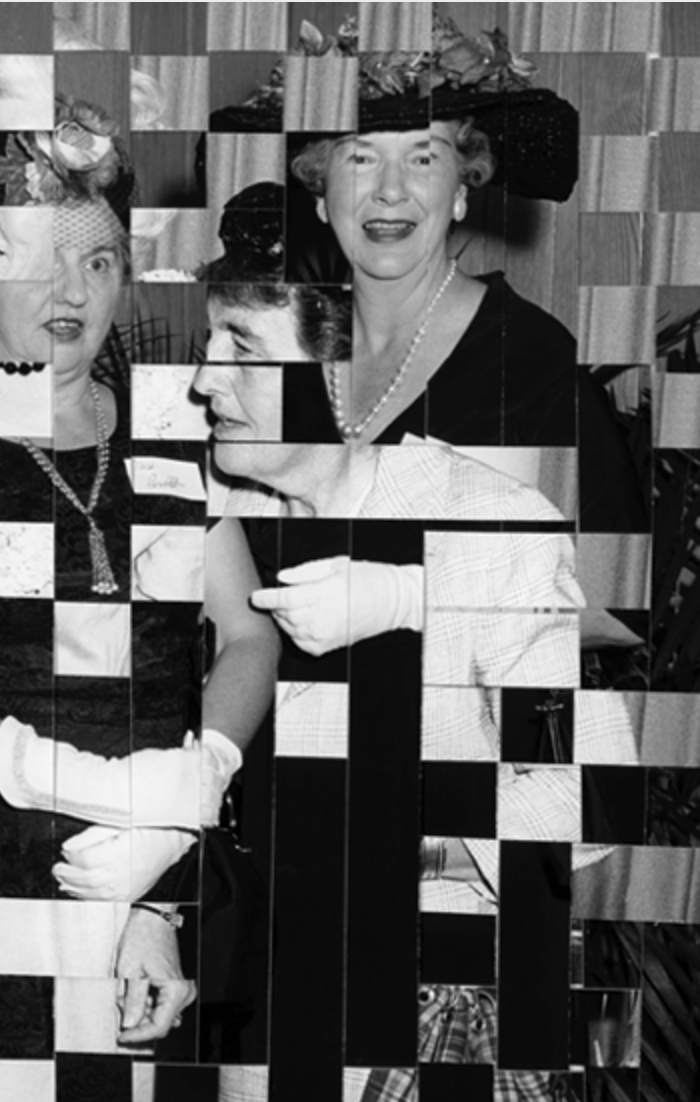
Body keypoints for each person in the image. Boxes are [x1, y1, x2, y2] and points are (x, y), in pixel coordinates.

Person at [0, 55, 277, 1085]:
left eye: (98, 260)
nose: (72, 292)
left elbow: (247, 633)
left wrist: (185, 804)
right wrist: (103, 790)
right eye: (43, 259)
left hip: (152, 885)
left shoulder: (172, 432)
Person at [192, 274, 637, 1100]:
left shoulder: (489, 523)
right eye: (208, 344)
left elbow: (591, 795)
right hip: (264, 1005)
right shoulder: (218, 505)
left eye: (243, 349)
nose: (204, 380)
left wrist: (410, 841)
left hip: (432, 1019)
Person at [218, 15, 646, 657]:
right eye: (361, 157)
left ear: (462, 190)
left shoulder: (527, 363)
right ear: (320, 193)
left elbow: (621, 608)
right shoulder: (274, 347)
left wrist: (411, 599)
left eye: (423, 158)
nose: (391, 191)